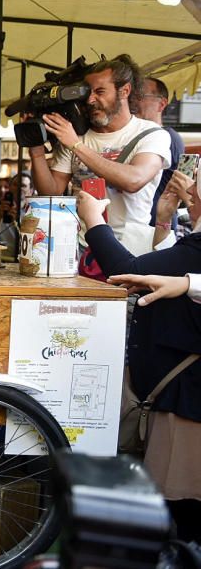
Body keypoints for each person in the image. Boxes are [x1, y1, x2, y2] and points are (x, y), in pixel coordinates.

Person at [77, 186, 201, 543]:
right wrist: (164, 222)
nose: (189, 189)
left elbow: (127, 270)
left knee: (186, 513)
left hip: (188, 404)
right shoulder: (190, 246)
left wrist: (93, 220)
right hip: (180, 398)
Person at [29, 54, 171, 256]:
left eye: (100, 91)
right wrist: (36, 150)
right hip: (79, 249)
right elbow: (50, 193)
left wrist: (76, 145)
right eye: (87, 92)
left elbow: (134, 180)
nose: (90, 99)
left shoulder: (152, 134)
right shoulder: (77, 133)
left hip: (128, 250)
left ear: (124, 91)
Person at [136, 77, 184, 230]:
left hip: (157, 225)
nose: (134, 101)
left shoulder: (168, 137)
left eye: (141, 96)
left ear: (162, 104)